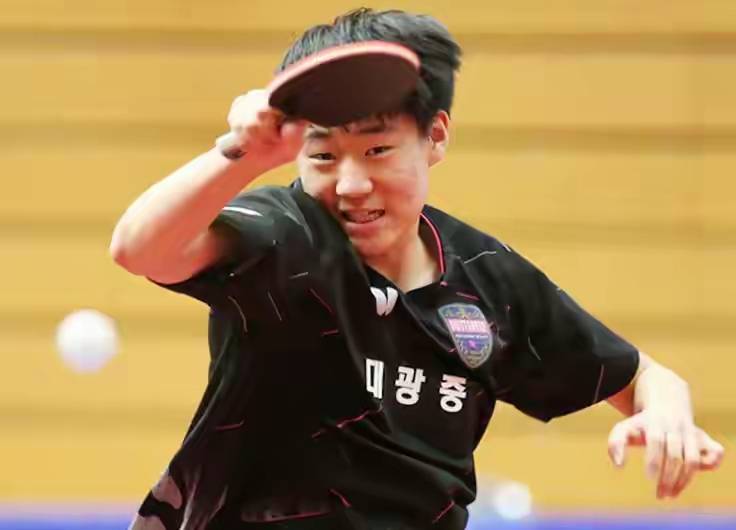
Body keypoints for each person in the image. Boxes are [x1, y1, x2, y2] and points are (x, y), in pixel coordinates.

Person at [110, 8, 724, 530]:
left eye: (377, 149)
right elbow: (140, 249)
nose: (351, 183)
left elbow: (645, 377)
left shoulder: (489, 280)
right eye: (322, 156)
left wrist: (667, 412)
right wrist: (242, 155)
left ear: (436, 136)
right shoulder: (282, 236)